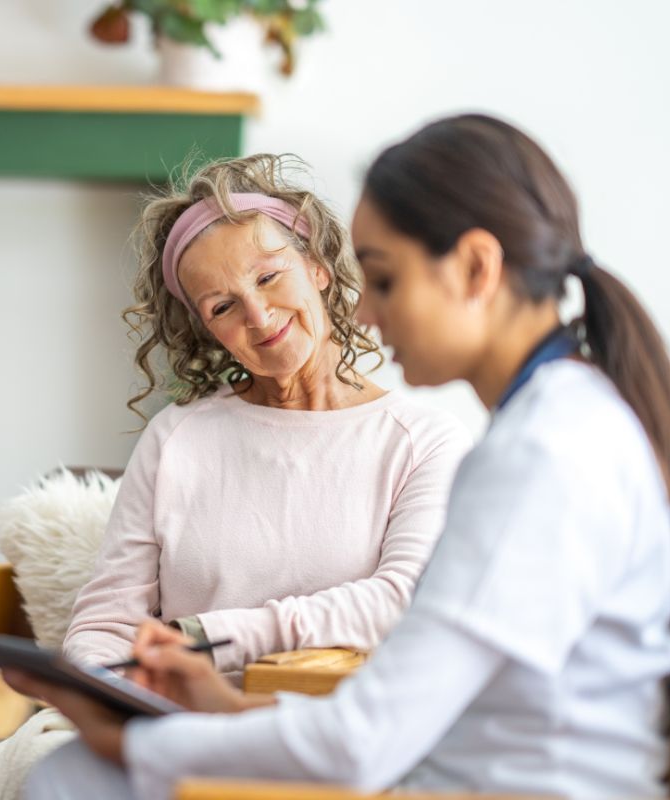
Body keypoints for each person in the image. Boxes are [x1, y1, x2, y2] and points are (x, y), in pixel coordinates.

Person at [11, 114, 670, 800]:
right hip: (448, 771)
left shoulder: (539, 455)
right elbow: (393, 724)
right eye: (222, 306)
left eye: (385, 279)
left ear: (475, 268)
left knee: (77, 776)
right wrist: (207, 706)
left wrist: (138, 741)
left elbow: (369, 740)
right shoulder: (561, 423)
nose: (363, 311)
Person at [62, 154, 470, 675]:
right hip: (172, 721)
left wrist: (212, 638)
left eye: (270, 277)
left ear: (317, 267)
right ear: (206, 330)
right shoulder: (175, 437)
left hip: (326, 727)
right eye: (222, 307)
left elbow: (399, 601)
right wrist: (102, 694)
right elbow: (107, 623)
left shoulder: (423, 442)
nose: (258, 315)